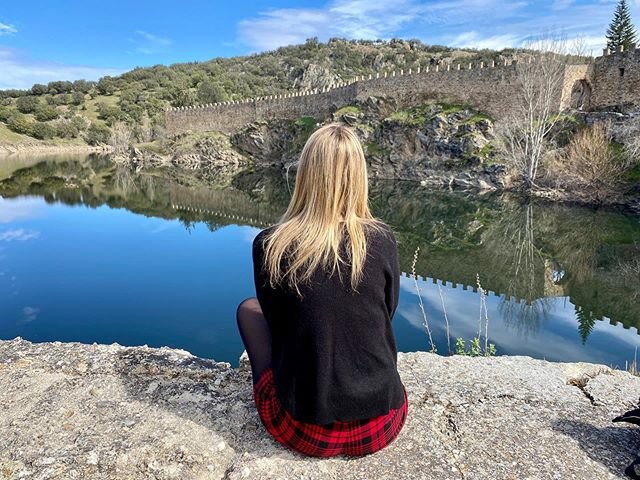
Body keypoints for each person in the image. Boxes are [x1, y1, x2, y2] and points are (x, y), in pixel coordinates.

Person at [236, 122, 408, 458]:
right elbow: (387, 310)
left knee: (248, 310)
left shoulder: (270, 245)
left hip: (303, 429)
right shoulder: (382, 240)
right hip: (382, 423)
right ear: (359, 177)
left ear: (306, 175)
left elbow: (277, 322)